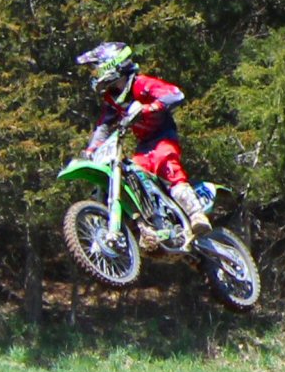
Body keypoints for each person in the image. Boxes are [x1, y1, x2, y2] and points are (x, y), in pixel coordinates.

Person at [75, 42, 212, 239]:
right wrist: (91, 150)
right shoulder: (112, 99)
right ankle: (147, 225)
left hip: (163, 137)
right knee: (131, 176)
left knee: (166, 163)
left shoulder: (142, 83)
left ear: (112, 64)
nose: (95, 74)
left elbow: (175, 94)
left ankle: (196, 215)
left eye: (96, 68)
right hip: (144, 146)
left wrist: (149, 109)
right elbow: (104, 126)